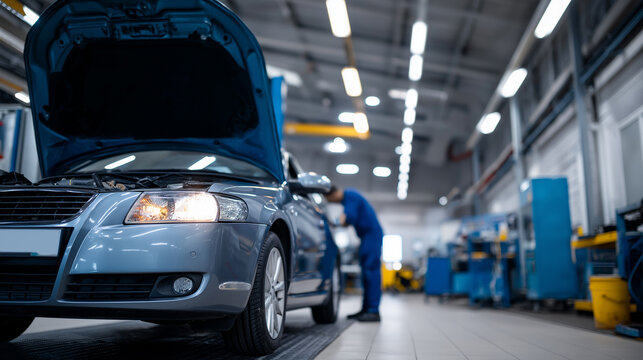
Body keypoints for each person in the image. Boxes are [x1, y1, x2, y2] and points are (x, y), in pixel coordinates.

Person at [325, 186, 383, 322]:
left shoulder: (350, 195)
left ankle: (374, 311)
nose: (332, 202)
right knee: (365, 273)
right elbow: (347, 221)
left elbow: (347, 219)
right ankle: (366, 309)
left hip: (372, 235)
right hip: (366, 237)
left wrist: (333, 222)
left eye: (330, 199)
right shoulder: (347, 200)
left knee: (371, 271)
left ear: (334, 193)